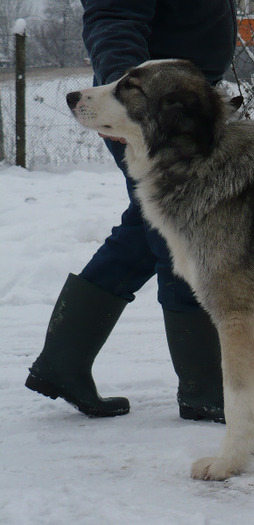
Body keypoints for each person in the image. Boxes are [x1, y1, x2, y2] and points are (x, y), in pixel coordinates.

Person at [25, 0, 237, 422]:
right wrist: (130, 107)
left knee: (147, 231)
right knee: (177, 234)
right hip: (151, 114)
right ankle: (204, 388)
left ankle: (63, 363)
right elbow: (113, 19)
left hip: (182, 108)